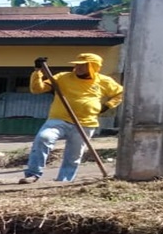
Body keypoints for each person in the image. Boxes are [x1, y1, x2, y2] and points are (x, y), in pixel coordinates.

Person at [20, 53, 123, 183]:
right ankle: (32, 174)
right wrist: (38, 71)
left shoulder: (104, 81)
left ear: (93, 67)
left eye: (83, 65)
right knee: (43, 138)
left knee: (74, 155)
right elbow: (37, 89)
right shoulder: (62, 77)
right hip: (59, 119)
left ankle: (64, 181)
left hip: (86, 122)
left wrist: (108, 105)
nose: (78, 68)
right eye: (77, 65)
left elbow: (121, 93)